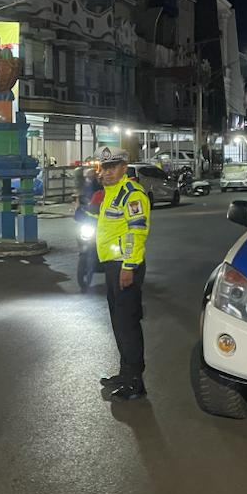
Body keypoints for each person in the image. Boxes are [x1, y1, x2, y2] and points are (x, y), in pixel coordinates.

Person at [90, 146, 151, 401]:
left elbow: (137, 232)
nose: (107, 172)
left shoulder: (131, 194)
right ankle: (125, 373)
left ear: (124, 168)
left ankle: (135, 382)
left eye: (112, 167)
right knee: (118, 323)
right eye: (104, 167)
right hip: (112, 266)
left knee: (127, 324)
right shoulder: (110, 193)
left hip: (125, 267)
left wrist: (129, 266)